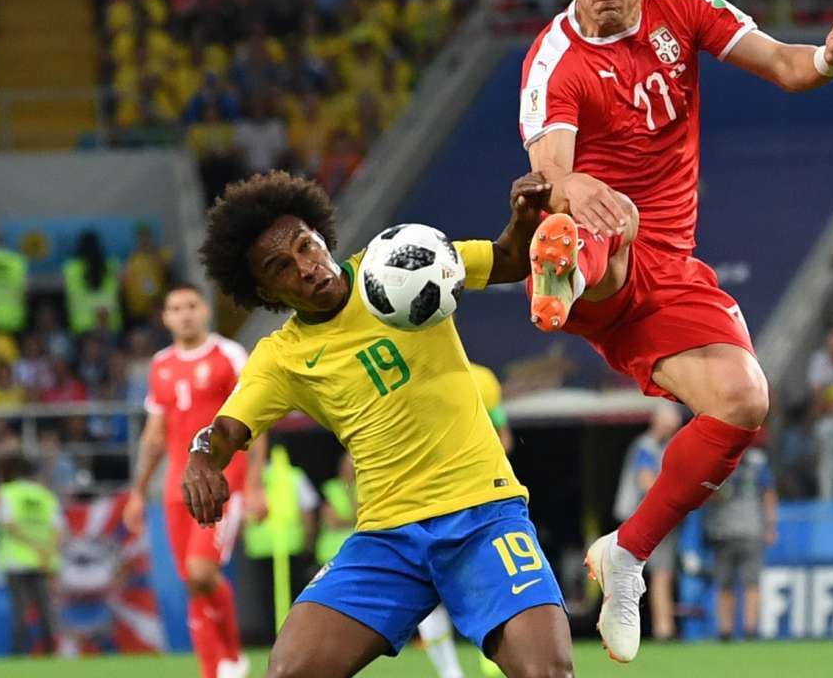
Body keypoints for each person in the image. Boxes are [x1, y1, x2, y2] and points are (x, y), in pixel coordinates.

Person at [517, 0, 833, 661]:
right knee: (589, 217)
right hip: (600, 253)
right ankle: (561, 277)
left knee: (745, 399)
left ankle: (626, 554)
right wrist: (573, 188)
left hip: (669, 277)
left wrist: (827, 58)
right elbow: (549, 168)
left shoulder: (683, 8)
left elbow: (785, 65)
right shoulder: (555, 60)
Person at [181, 171, 573, 678]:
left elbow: (511, 260)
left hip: (482, 516)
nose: (305, 267)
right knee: (289, 671)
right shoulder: (281, 358)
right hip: (387, 539)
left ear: (323, 235)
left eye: (306, 246)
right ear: (264, 291)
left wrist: (522, 219)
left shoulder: (401, 257)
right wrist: (199, 459)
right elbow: (227, 431)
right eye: (281, 267)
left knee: (547, 671)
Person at [123, 282, 266, 678]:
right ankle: (214, 670)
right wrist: (137, 493)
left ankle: (233, 657)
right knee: (191, 581)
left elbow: (256, 420)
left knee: (202, 573)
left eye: (191, 305)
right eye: (176, 308)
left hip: (223, 480)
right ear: (166, 318)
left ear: (205, 310)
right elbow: (154, 436)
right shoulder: (160, 365)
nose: (185, 313)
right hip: (175, 488)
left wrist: (255, 483)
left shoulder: (228, 355)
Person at [612, 404, 683, 642]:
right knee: (657, 575)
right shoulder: (647, 446)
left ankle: (660, 627)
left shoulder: (659, 446)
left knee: (652, 576)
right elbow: (646, 482)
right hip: (646, 519)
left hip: (650, 519)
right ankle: (662, 629)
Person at [702, 441, 777, 641]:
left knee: (748, 582)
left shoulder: (754, 461)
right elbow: (705, 494)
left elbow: (768, 494)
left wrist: (769, 526)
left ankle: (749, 629)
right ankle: (727, 631)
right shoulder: (721, 460)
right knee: (727, 583)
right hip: (725, 530)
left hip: (744, 529)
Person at [0, 455, 63, 655]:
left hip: (15, 561)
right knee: (45, 611)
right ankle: (51, 654)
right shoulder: (45, 496)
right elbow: (59, 530)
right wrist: (46, 551)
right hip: (43, 560)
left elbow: (7, 523)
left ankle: (18, 655)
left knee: (20, 611)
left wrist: (30, 545)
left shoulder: (9, 492)